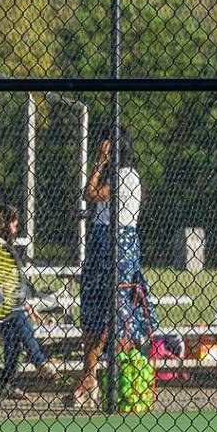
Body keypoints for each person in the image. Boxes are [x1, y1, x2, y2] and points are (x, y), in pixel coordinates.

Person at [71, 128, 156, 409]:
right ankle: (89, 377)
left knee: (115, 311)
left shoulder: (124, 175)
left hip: (115, 246)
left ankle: (117, 376)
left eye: (106, 144)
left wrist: (99, 161)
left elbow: (91, 192)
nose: (102, 147)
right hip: (107, 241)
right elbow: (108, 208)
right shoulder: (124, 177)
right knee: (98, 312)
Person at [0, 203, 61, 389]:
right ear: (4, 224)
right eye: (15, 224)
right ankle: (39, 361)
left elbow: (11, 288)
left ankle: (10, 382)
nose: (17, 229)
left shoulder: (8, 250)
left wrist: (25, 304)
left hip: (6, 313)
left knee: (14, 328)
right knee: (16, 318)